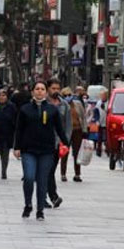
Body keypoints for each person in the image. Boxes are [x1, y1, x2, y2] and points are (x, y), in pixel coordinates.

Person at [14, 81, 69, 221]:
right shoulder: (25, 109)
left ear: (46, 92)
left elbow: (59, 129)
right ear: (32, 92)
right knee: (29, 177)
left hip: (46, 150)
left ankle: (40, 210)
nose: (39, 91)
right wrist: (17, 147)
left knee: (42, 179)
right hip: (28, 150)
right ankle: (28, 204)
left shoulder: (52, 109)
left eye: (42, 89)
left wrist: (65, 143)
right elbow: (19, 129)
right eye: (37, 89)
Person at [45, 79, 70, 208]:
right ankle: (52, 196)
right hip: (44, 142)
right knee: (47, 170)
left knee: (50, 170)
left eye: (57, 88)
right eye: (53, 88)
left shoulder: (64, 105)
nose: (55, 91)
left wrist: (66, 142)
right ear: (48, 89)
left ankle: (49, 196)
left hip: (57, 143)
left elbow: (67, 126)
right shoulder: (43, 103)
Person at [60, 87, 87, 182]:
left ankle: (77, 174)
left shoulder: (78, 104)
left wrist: (85, 130)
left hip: (77, 130)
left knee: (77, 153)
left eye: (69, 95)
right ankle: (63, 174)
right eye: (65, 95)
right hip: (66, 132)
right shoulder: (61, 105)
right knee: (64, 153)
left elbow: (83, 117)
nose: (68, 97)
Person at [92, 88, 109, 156]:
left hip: (107, 122)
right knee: (99, 137)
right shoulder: (98, 103)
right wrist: (96, 120)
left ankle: (107, 150)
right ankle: (99, 150)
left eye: (104, 95)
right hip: (100, 122)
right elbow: (95, 112)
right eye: (101, 95)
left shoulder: (109, 102)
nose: (102, 97)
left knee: (107, 137)